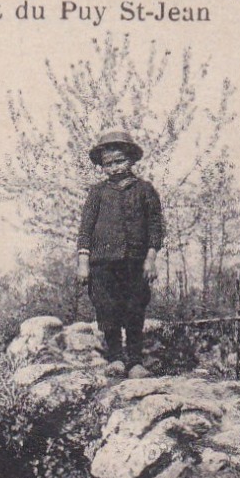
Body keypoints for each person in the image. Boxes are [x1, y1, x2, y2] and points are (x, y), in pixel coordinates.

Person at [76, 130, 164, 370]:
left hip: (134, 262)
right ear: (102, 166)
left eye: (119, 161)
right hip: (102, 264)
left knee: (135, 309)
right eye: (108, 164)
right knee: (106, 309)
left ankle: (135, 362)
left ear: (131, 160)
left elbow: (156, 227)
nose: (114, 168)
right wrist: (83, 262)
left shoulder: (145, 190)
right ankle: (115, 358)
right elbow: (85, 229)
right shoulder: (97, 193)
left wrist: (151, 258)